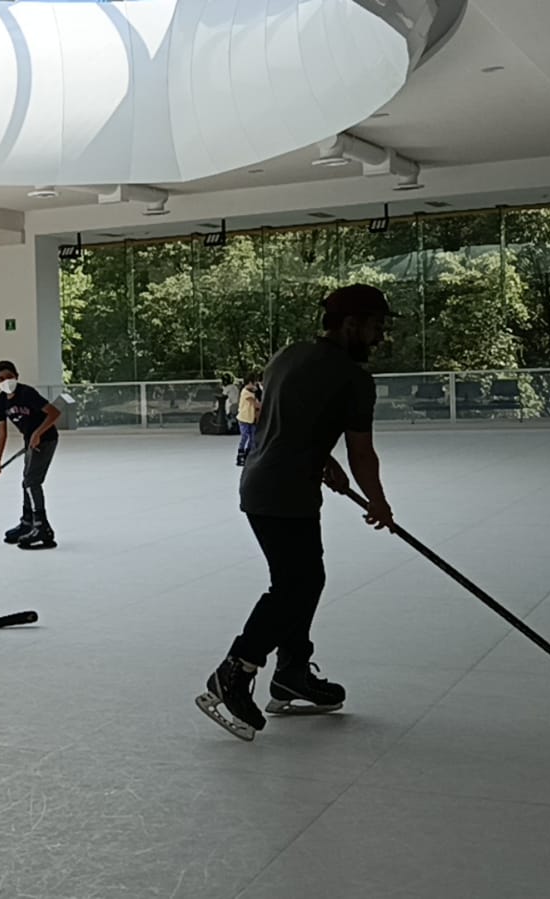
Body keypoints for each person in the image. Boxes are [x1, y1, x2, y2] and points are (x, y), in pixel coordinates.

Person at [197, 284, 396, 741]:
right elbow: (362, 453)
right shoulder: (353, 378)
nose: (379, 338)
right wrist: (379, 503)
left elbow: (280, 417)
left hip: (262, 484)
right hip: (286, 493)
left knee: (303, 581)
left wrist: (321, 460)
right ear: (350, 324)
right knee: (297, 584)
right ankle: (235, 669)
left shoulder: (289, 355)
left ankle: (291, 673)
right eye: (375, 327)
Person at [0, 361, 62, 550]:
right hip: (30, 442)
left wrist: (38, 433)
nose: (7, 381)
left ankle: (41, 526)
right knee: (27, 481)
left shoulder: (27, 393)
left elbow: (54, 413)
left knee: (32, 481)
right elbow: (1, 433)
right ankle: (27, 522)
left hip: (45, 440)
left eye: (9, 376)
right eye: (1, 379)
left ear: (17, 376)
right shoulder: (0, 401)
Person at [235, 370, 263, 467]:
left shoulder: (252, 392)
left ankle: (248, 454)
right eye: (254, 383)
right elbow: (256, 404)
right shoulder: (246, 393)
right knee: (245, 436)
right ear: (250, 383)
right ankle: (240, 453)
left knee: (252, 438)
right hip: (244, 419)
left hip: (251, 419)